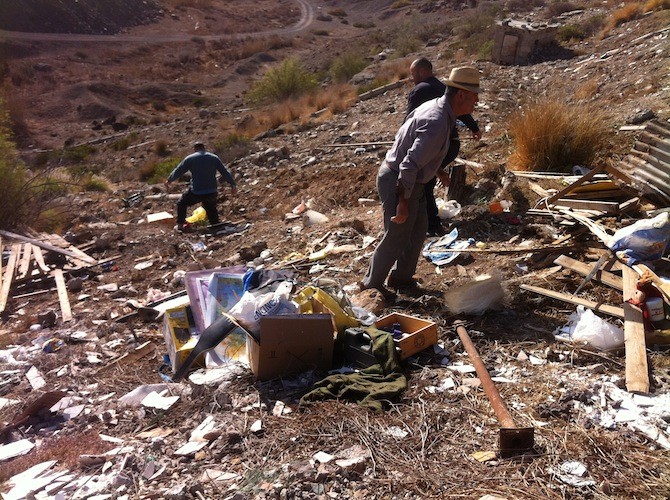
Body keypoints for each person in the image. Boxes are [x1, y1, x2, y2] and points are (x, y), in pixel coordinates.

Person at [360, 66, 481, 299]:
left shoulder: (439, 109)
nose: (476, 102)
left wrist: (437, 170)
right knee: (397, 234)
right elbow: (408, 165)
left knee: (417, 230)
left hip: (411, 179)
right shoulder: (437, 121)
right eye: (474, 96)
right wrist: (403, 202)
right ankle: (371, 285)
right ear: (461, 95)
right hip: (399, 179)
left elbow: (417, 148)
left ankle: (401, 278)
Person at [405, 58, 481, 236]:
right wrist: (474, 127)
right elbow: (462, 109)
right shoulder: (441, 88)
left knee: (423, 183)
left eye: (413, 74)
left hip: (436, 143)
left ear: (422, 71)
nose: (412, 78)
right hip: (450, 144)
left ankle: (430, 225)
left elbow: (408, 122)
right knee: (426, 180)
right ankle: (429, 224)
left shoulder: (421, 91)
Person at [165, 142, 237, 232]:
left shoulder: (190, 158)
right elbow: (224, 172)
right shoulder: (214, 158)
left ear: (195, 149)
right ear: (204, 148)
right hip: (212, 190)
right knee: (210, 206)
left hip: (197, 191)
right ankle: (215, 225)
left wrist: (169, 180)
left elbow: (179, 171)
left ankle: (180, 225)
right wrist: (233, 185)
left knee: (182, 203)